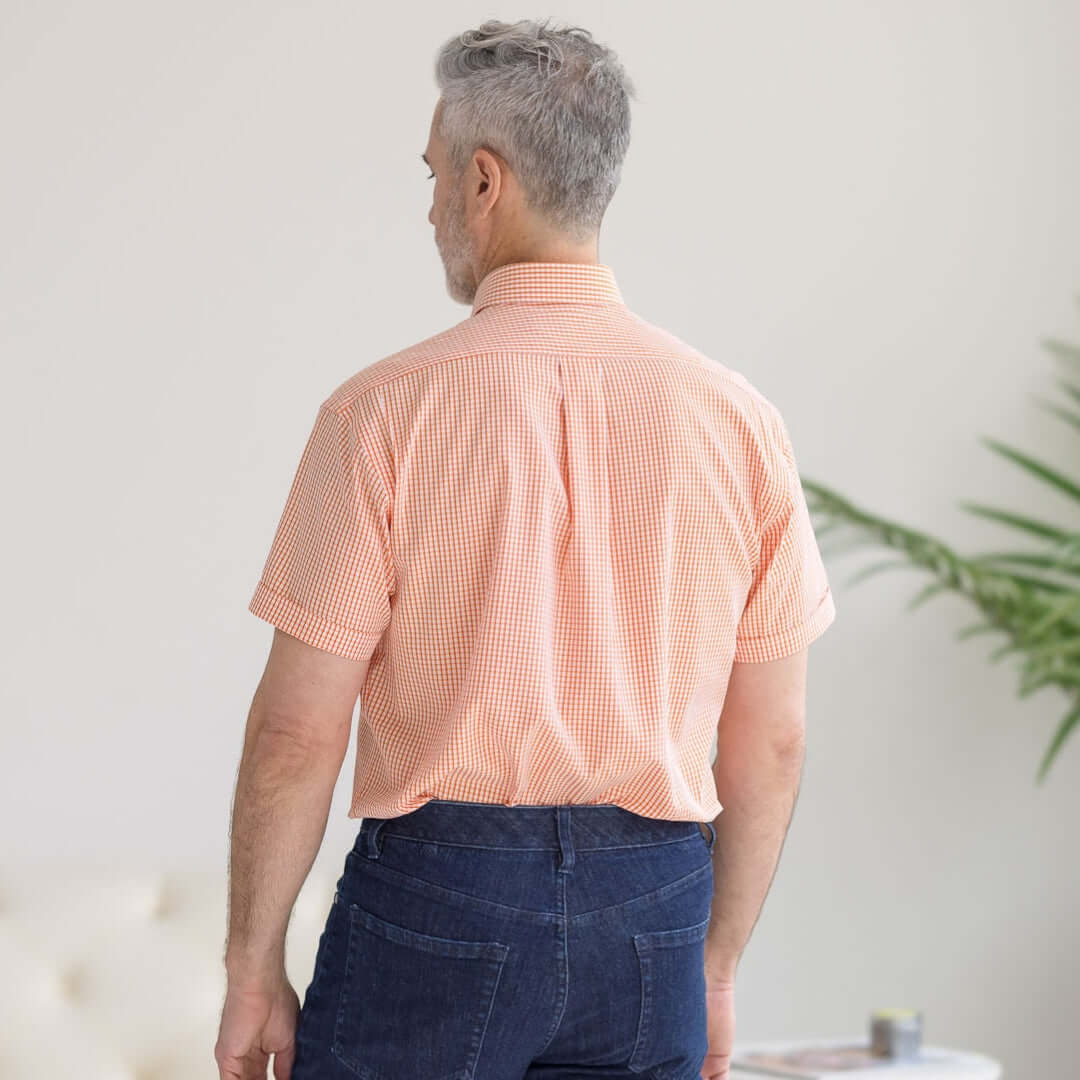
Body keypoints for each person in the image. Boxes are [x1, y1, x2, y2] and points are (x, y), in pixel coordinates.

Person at [216, 17, 837, 1080]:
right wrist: (716, 968)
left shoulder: (381, 414)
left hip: (440, 895)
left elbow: (295, 730)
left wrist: (250, 968)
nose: (430, 206)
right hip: (653, 907)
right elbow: (771, 742)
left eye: (434, 174)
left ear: (484, 181)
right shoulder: (738, 422)